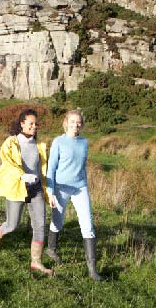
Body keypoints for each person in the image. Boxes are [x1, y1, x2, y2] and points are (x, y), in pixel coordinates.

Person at [0, 108, 53, 276]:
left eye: (36, 124)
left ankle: (36, 262)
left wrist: (49, 187)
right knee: (12, 225)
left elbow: (44, 169)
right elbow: (7, 163)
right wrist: (22, 175)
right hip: (17, 188)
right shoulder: (11, 142)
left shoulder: (40, 145)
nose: (34, 126)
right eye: (31, 123)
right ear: (22, 124)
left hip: (36, 189)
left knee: (40, 225)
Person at [45, 110, 104, 281]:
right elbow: (51, 168)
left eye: (78, 122)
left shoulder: (84, 142)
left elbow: (82, 167)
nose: (75, 125)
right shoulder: (58, 142)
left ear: (82, 124)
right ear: (66, 122)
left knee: (88, 225)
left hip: (80, 188)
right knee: (58, 222)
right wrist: (51, 192)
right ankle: (51, 249)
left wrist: (85, 185)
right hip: (60, 188)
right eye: (72, 121)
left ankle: (92, 270)